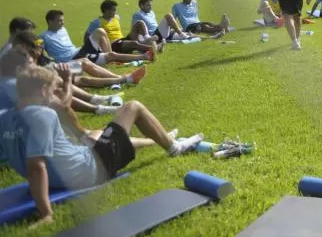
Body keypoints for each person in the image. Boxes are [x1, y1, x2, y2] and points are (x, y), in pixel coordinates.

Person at [0, 63, 204, 227]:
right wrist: (46, 213)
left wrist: (65, 82)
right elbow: (37, 166)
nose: (55, 95)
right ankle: (174, 148)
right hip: (94, 169)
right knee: (132, 107)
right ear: (44, 91)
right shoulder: (42, 115)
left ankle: (159, 138)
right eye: (53, 90)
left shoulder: (6, 118)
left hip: (65, 173)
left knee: (100, 134)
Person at [41, 10, 147, 82]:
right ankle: (123, 77)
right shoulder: (44, 37)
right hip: (71, 59)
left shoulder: (62, 30)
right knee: (100, 31)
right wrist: (54, 65)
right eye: (59, 21)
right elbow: (40, 56)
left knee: (110, 54)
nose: (62, 23)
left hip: (78, 52)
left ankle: (146, 56)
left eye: (63, 20)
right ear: (50, 22)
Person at [85, 0, 158, 58]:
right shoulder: (97, 22)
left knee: (139, 23)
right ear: (107, 11)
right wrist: (94, 48)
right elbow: (87, 36)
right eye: (113, 10)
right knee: (134, 43)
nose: (115, 12)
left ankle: (147, 39)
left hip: (122, 40)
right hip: (113, 44)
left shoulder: (116, 17)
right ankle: (152, 48)